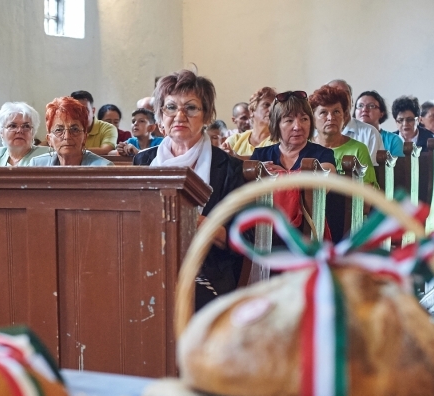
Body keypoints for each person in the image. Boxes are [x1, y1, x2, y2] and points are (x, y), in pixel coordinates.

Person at [132, 69, 248, 309]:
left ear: (206, 116)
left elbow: (242, 238)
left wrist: (193, 220)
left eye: (191, 108)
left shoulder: (229, 168)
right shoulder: (143, 162)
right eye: (171, 107)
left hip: (207, 274)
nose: (180, 116)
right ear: (160, 116)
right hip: (147, 265)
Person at [251, 91, 338, 239]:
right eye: (289, 120)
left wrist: (280, 177)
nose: (298, 126)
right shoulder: (261, 155)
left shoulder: (322, 154)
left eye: (304, 119)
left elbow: (325, 181)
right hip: (266, 235)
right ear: (276, 124)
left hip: (310, 235)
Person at [310, 85, 377, 187]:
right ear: (313, 118)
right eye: (323, 112)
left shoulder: (359, 149)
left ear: (344, 116)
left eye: (336, 112)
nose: (330, 118)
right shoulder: (306, 147)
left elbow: (367, 195)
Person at [28, 97, 114, 167]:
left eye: (75, 129)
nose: (67, 136)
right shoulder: (36, 165)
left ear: (85, 137)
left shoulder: (103, 168)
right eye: (59, 130)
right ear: (49, 139)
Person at [327, 79, 383, 164]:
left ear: (352, 101)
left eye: (345, 94)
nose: (341, 99)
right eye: (333, 95)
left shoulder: (369, 133)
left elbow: (370, 173)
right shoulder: (315, 134)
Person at [224, 86, 277, 158]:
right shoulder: (235, 140)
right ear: (252, 111)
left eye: (274, 106)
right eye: (266, 105)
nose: (271, 110)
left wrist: (236, 157)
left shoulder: (280, 141)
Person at [353, 90, 404, 158]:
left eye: (371, 106)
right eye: (360, 106)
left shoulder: (393, 140)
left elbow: (398, 168)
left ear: (381, 113)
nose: (364, 109)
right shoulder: (347, 137)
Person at [69, 91, 117, 155]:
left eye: (85, 110)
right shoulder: (66, 129)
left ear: (93, 110)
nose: (81, 115)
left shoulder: (108, 128)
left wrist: (72, 151)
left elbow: (106, 151)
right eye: (76, 111)